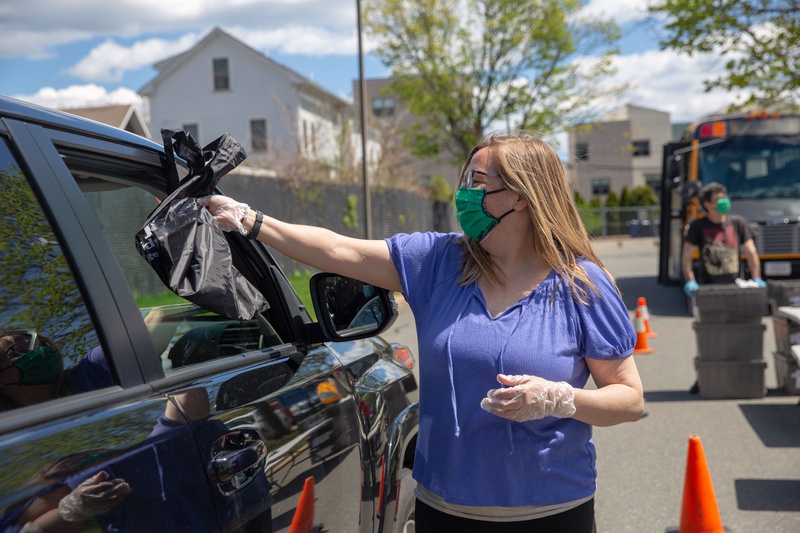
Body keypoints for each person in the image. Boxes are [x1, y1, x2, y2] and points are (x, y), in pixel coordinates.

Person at [199, 132, 643, 532]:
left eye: (478, 182)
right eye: (464, 179)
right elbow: (338, 249)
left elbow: (627, 398)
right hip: (443, 509)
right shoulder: (437, 262)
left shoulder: (580, 283)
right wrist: (250, 220)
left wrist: (561, 398)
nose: (463, 193)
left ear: (521, 197)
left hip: (551, 512)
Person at [681, 181, 765, 297]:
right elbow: (687, 254)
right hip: (708, 287)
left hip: (736, 286)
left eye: (724, 198)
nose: (724, 202)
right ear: (707, 205)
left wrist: (757, 278)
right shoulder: (697, 226)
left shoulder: (738, 223)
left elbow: (751, 251)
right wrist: (690, 280)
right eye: (719, 200)